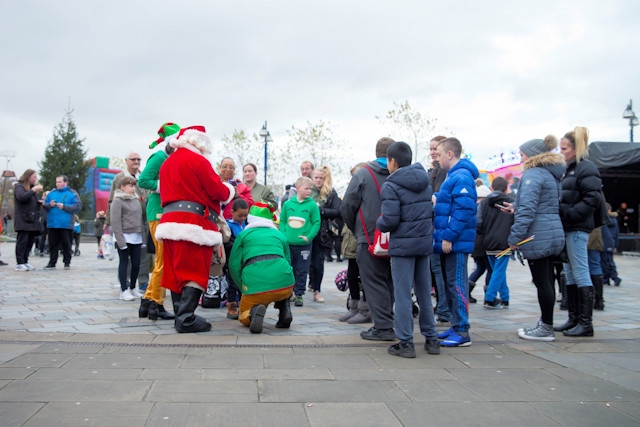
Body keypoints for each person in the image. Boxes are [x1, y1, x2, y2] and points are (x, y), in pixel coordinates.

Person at [155, 125, 233, 333]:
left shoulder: (167, 164)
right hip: (193, 224)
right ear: (200, 142)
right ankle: (186, 318)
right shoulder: (199, 161)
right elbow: (219, 191)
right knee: (194, 271)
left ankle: (180, 314)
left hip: (169, 222)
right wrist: (231, 189)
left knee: (175, 272)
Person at [377, 141, 439, 358]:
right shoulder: (424, 180)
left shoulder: (391, 185)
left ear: (392, 161)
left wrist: (379, 223)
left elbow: (390, 220)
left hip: (403, 246)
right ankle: (432, 340)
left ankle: (406, 343)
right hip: (423, 244)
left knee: (403, 294)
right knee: (424, 293)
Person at [508, 136, 565, 341]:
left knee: (542, 281)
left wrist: (515, 237)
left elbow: (528, 210)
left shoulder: (532, 175)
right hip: (551, 231)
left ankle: (545, 328)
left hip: (537, 234)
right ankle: (545, 323)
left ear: (531, 155)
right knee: (548, 280)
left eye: (522, 154)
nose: (520, 158)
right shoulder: (551, 174)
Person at [342, 137, 396, 342]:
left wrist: (356, 230)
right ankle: (388, 321)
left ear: (376, 153)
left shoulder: (363, 174)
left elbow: (347, 205)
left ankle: (383, 327)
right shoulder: (400, 173)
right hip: (396, 237)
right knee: (391, 280)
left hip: (369, 237)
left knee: (372, 281)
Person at [555, 127, 602, 338]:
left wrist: (572, 214)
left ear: (576, 148)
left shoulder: (586, 168)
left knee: (580, 271)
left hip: (576, 226)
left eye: (565, 148)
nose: (562, 151)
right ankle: (574, 319)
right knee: (571, 272)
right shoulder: (571, 168)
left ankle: (585, 322)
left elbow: (592, 197)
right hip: (569, 225)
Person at [433, 137, 478, 347]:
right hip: (451, 241)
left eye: (440, 154)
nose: (437, 158)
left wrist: (449, 236)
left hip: (456, 243)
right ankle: (456, 324)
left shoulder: (461, 176)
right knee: (452, 284)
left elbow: (464, 209)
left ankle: (462, 331)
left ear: (449, 154)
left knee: (457, 285)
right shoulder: (455, 176)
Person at [229, 202, 295, 333]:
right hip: (285, 283)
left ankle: (253, 312)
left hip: (255, 285)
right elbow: (288, 260)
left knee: (243, 316)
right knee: (281, 285)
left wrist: (243, 286)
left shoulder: (243, 235)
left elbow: (234, 265)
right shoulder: (280, 235)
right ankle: (284, 310)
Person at [137, 122, 180, 320]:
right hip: (158, 212)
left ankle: (148, 303)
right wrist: (165, 186)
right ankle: (155, 303)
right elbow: (143, 180)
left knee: (164, 260)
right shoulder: (159, 156)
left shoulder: (170, 157)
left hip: (164, 212)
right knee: (163, 260)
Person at [106, 151, 150, 298]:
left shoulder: (142, 175)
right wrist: (108, 222)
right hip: (125, 226)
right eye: (133, 159)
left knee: (142, 257)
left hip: (142, 221)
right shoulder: (119, 177)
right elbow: (111, 200)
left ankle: (141, 283)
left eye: (138, 159)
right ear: (126, 161)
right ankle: (124, 285)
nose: (136, 161)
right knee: (125, 258)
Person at [279, 176, 320, 307]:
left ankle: (299, 294)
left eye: (311, 189)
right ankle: (287, 292)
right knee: (288, 268)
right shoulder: (287, 204)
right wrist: (283, 236)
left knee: (302, 270)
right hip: (288, 244)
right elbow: (283, 221)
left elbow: (316, 222)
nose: (309, 191)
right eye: (306, 188)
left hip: (304, 245)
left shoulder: (312, 205)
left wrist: (309, 236)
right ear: (297, 189)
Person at [338, 162, 370, 323]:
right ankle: (354, 306)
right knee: (352, 273)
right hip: (351, 236)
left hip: (363, 235)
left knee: (365, 274)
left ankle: (365, 308)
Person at [477, 177, 513, 309]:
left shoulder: (484, 202)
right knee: (499, 270)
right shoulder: (511, 202)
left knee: (497, 270)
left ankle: (505, 297)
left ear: (491, 188)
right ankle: (490, 298)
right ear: (506, 188)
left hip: (488, 241)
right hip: (505, 241)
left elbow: (478, 221)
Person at [309, 166, 342, 303]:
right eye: (315, 177)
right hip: (305, 231)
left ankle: (317, 290)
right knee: (300, 263)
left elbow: (337, 211)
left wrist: (320, 210)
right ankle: (295, 290)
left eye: (321, 178)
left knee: (318, 263)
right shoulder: (307, 190)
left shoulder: (330, 193)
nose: (318, 180)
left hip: (322, 233)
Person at [110, 176, 145, 301]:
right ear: (122, 187)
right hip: (124, 236)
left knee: (136, 264)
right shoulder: (117, 201)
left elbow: (140, 220)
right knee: (124, 262)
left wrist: (143, 239)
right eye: (130, 186)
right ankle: (123, 289)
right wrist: (120, 241)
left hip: (136, 236)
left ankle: (133, 287)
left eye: (133, 185)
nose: (132, 188)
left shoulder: (136, 200)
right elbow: (115, 221)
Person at [427, 136, 450, 324]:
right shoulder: (436, 170)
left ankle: (444, 308)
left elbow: (439, 199)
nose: (433, 152)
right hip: (436, 226)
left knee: (439, 270)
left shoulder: (442, 171)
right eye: (431, 149)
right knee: (438, 270)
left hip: (439, 228)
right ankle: (443, 306)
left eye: (436, 149)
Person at [43, 175, 81, 270]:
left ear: (65, 182)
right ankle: (52, 262)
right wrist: (49, 205)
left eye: (60, 182)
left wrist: (65, 206)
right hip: (52, 224)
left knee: (66, 244)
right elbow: (44, 205)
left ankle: (67, 262)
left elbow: (78, 206)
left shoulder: (72, 193)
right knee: (52, 245)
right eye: (57, 182)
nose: (58, 184)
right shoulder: (51, 193)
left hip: (66, 224)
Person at [13, 169, 44, 271]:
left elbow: (33, 201)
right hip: (23, 219)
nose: (36, 179)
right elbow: (22, 197)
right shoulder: (19, 187)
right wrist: (34, 190)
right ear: (28, 177)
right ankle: (20, 262)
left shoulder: (31, 189)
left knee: (30, 241)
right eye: (34, 177)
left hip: (33, 219)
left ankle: (25, 261)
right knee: (22, 241)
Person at [224, 198, 249, 319]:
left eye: (245, 215)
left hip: (245, 261)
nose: (243, 218)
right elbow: (226, 243)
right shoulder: (227, 225)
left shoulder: (246, 225)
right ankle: (232, 306)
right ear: (232, 212)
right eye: (240, 215)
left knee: (244, 282)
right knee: (233, 284)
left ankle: (243, 304)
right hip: (233, 261)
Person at [468, 179, 492, 303]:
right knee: (488, 268)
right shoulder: (484, 209)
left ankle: (467, 291)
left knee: (480, 268)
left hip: (474, 243)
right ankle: (489, 294)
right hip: (483, 243)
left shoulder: (472, 206)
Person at [601, 203, 621, 287]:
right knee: (610, 261)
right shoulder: (614, 220)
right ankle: (614, 277)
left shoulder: (602, 220)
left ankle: (608, 279)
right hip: (611, 243)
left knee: (604, 261)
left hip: (604, 242)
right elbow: (616, 234)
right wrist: (616, 245)